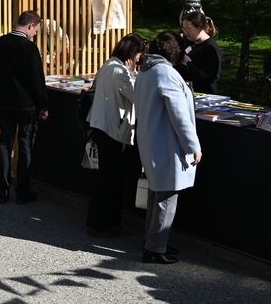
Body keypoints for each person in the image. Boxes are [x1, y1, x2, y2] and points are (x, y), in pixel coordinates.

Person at [135, 31, 203, 264]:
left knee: (156, 194)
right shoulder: (166, 73)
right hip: (165, 143)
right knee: (166, 197)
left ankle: (153, 241)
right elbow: (179, 115)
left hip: (151, 139)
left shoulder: (147, 70)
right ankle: (155, 247)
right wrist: (193, 145)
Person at [85, 33, 146, 238]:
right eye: (139, 54)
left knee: (114, 178)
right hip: (110, 130)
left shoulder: (110, 65)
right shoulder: (119, 71)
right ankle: (97, 224)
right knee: (108, 179)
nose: (140, 58)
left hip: (107, 128)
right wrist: (135, 74)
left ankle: (111, 222)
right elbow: (137, 95)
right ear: (131, 52)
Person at [0, 10, 48, 205]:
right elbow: (37, 80)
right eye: (36, 30)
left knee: (5, 144)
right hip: (26, 105)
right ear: (30, 25)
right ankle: (22, 191)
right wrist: (43, 104)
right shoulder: (29, 48)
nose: (34, 34)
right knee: (25, 145)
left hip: (3, 102)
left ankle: (2, 191)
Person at [175, 8, 222, 94]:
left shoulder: (210, 48)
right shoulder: (190, 42)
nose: (186, 33)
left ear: (200, 28)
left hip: (205, 94)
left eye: (188, 29)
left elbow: (210, 78)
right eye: (184, 29)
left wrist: (189, 63)